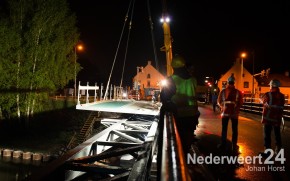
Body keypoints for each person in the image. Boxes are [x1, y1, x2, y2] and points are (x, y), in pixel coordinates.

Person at [160, 55, 200, 153]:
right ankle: (186, 157)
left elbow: (164, 98)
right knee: (187, 141)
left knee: (178, 143)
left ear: (173, 67)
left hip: (179, 116)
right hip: (192, 116)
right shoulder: (193, 80)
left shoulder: (171, 80)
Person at [217, 75, 243, 154]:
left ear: (228, 82)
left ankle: (223, 144)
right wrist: (236, 108)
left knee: (224, 129)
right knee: (234, 130)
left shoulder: (223, 91)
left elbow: (219, 101)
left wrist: (222, 107)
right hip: (234, 114)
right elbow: (241, 103)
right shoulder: (238, 92)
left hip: (225, 113)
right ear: (234, 83)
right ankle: (234, 145)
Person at [259, 79, 285, 157]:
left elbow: (262, 101)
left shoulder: (267, 94)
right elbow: (281, 107)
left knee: (267, 136)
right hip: (277, 119)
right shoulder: (282, 96)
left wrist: (261, 101)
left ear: (272, 86)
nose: (269, 87)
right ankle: (279, 151)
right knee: (277, 135)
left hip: (268, 119)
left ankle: (268, 153)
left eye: (270, 85)